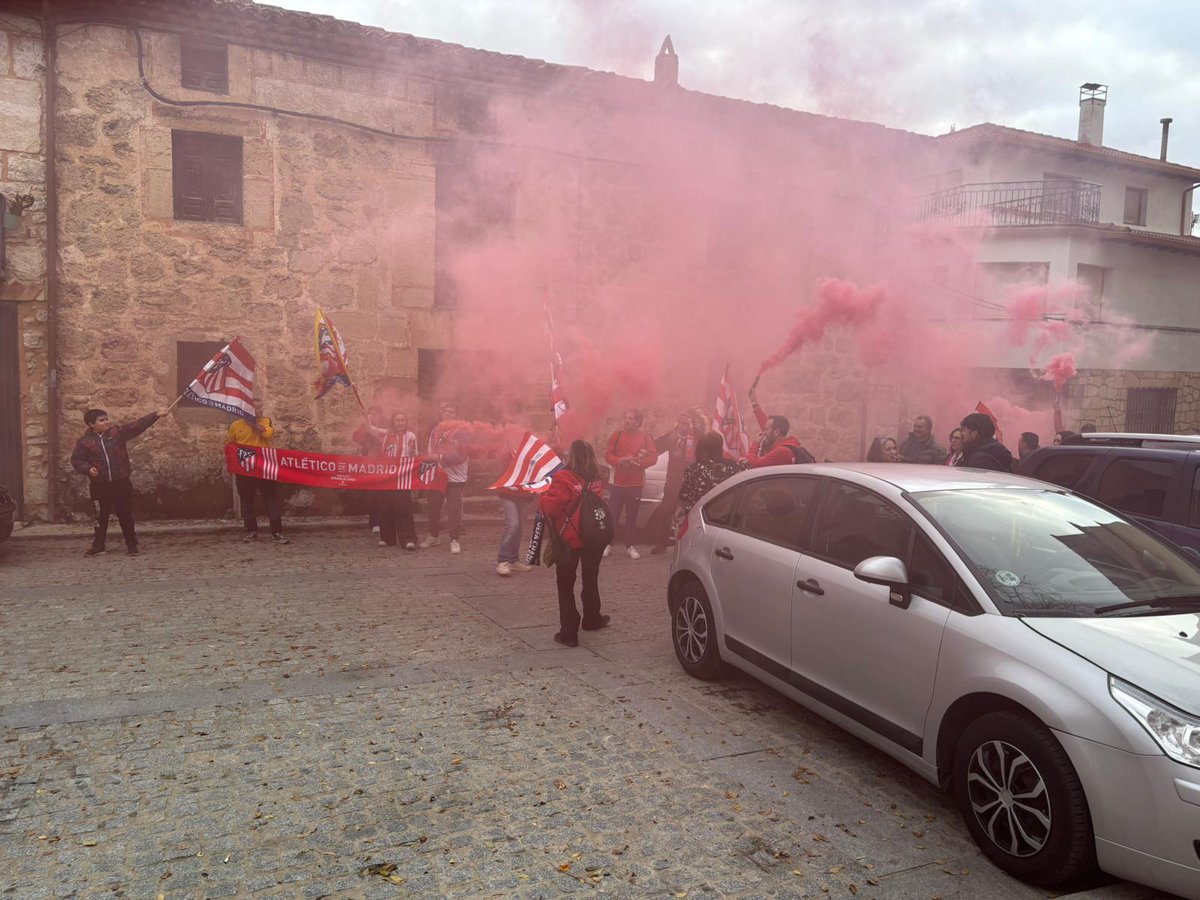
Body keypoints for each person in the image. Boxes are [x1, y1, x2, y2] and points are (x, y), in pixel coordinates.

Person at [539, 439, 610, 647]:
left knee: (565, 584)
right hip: (594, 538)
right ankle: (592, 617)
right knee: (590, 577)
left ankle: (569, 631)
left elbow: (551, 508)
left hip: (570, 539)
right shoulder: (597, 477)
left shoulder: (564, 477)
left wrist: (542, 497)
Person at [70, 407, 163, 557]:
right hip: (99, 486)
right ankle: (98, 546)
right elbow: (76, 460)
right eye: (102, 420)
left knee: (125, 515)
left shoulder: (117, 433)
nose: (107, 422)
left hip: (121, 482)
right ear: (91, 424)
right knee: (99, 517)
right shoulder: (84, 442)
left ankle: (132, 545)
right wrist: (88, 469)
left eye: (107, 419)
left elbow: (137, 425)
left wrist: (155, 415)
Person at [646, 408, 706, 555]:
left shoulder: (698, 440)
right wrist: (648, 440)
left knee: (690, 514)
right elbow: (657, 446)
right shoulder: (673, 438)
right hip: (672, 483)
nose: (681, 427)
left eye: (685, 424)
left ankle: (690, 545)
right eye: (679, 423)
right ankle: (662, 543)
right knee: (665, 511)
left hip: (690, 483)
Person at [604, 409, 659, 559]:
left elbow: (653, 457)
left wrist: (638, 463)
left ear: (638, 421)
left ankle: (630, 546)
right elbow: (608, 455)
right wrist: (620, 461)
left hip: (635, 484)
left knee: (632, 517)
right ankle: (609, 544)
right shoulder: (617, 435)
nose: (627, 421)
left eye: (631, 419)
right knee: (613, 516)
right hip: (617, 483)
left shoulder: (645, 437)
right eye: (626, 418)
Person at [227, 413, 289, 544]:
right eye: (256, 408)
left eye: (260, 407)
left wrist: (254, 425)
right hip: (245, 469)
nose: (259, 411)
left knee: (271, 499)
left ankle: (277, 532)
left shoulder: (266, 421)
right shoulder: (235, 425)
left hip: (264, 468)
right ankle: (251, 531)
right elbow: (230, 445)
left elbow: (267, 434)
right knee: (247, 501)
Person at [420, 401, 467, 554]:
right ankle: (434, 536)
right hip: (437, 475)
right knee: (433, 507)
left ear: (456, 415)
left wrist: (438, 457)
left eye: (451, 411)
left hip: (455, 477)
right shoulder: (436, 430)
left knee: (453, 510)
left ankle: (454, 539)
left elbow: (461, 456)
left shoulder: (462, 432)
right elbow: (430, 451)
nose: (447, 413)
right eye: (445, 411)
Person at [678, 431, 751, 517]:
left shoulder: (692, 469)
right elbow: (748, 469)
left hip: (697, 516)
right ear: (720, 448)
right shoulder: (733, 467)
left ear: (700, 447)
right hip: (723, 517)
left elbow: (683, 495)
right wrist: (743, 461)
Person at [377, 411, 419, 550]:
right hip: (388, 476)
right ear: (393, 422)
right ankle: (387, 538)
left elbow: (414, 456)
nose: (400, 423)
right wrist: (366, 418)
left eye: (402, 420)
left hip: (403, 477)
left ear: (406, 422)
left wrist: (413, 477)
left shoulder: (411, 436)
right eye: (397, 420)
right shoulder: (386, 435)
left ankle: (408, 539)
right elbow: (371, 430)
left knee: (404, 508)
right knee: (385, 506)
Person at [495, 433, 535, 576]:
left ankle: (513, 559)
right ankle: (503, 559)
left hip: (524, 494)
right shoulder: (505, 452)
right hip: (508, 493)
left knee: (520, 527)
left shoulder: (531, 453)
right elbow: (500, 471)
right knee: (513, 524)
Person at [746, 383, 812, 467]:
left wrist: (755, 444)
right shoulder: (788, 444)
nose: (764, 432)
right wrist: (754, 403)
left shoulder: (781, 452)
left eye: (766, 430)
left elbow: (753, 465)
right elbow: (769, 427)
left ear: (776, 432)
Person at [353, 405, 386, 536]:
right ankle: (375, 523)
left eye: (376, 413)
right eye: (371, 413)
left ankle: (386, 521)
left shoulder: (386, 425)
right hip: (371, 464)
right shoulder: (365, 426)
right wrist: (366, 422)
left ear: (381, 414)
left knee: (385, 494)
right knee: (373, 494)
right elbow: (356, 437)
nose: (374, 415)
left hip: (384, 464)